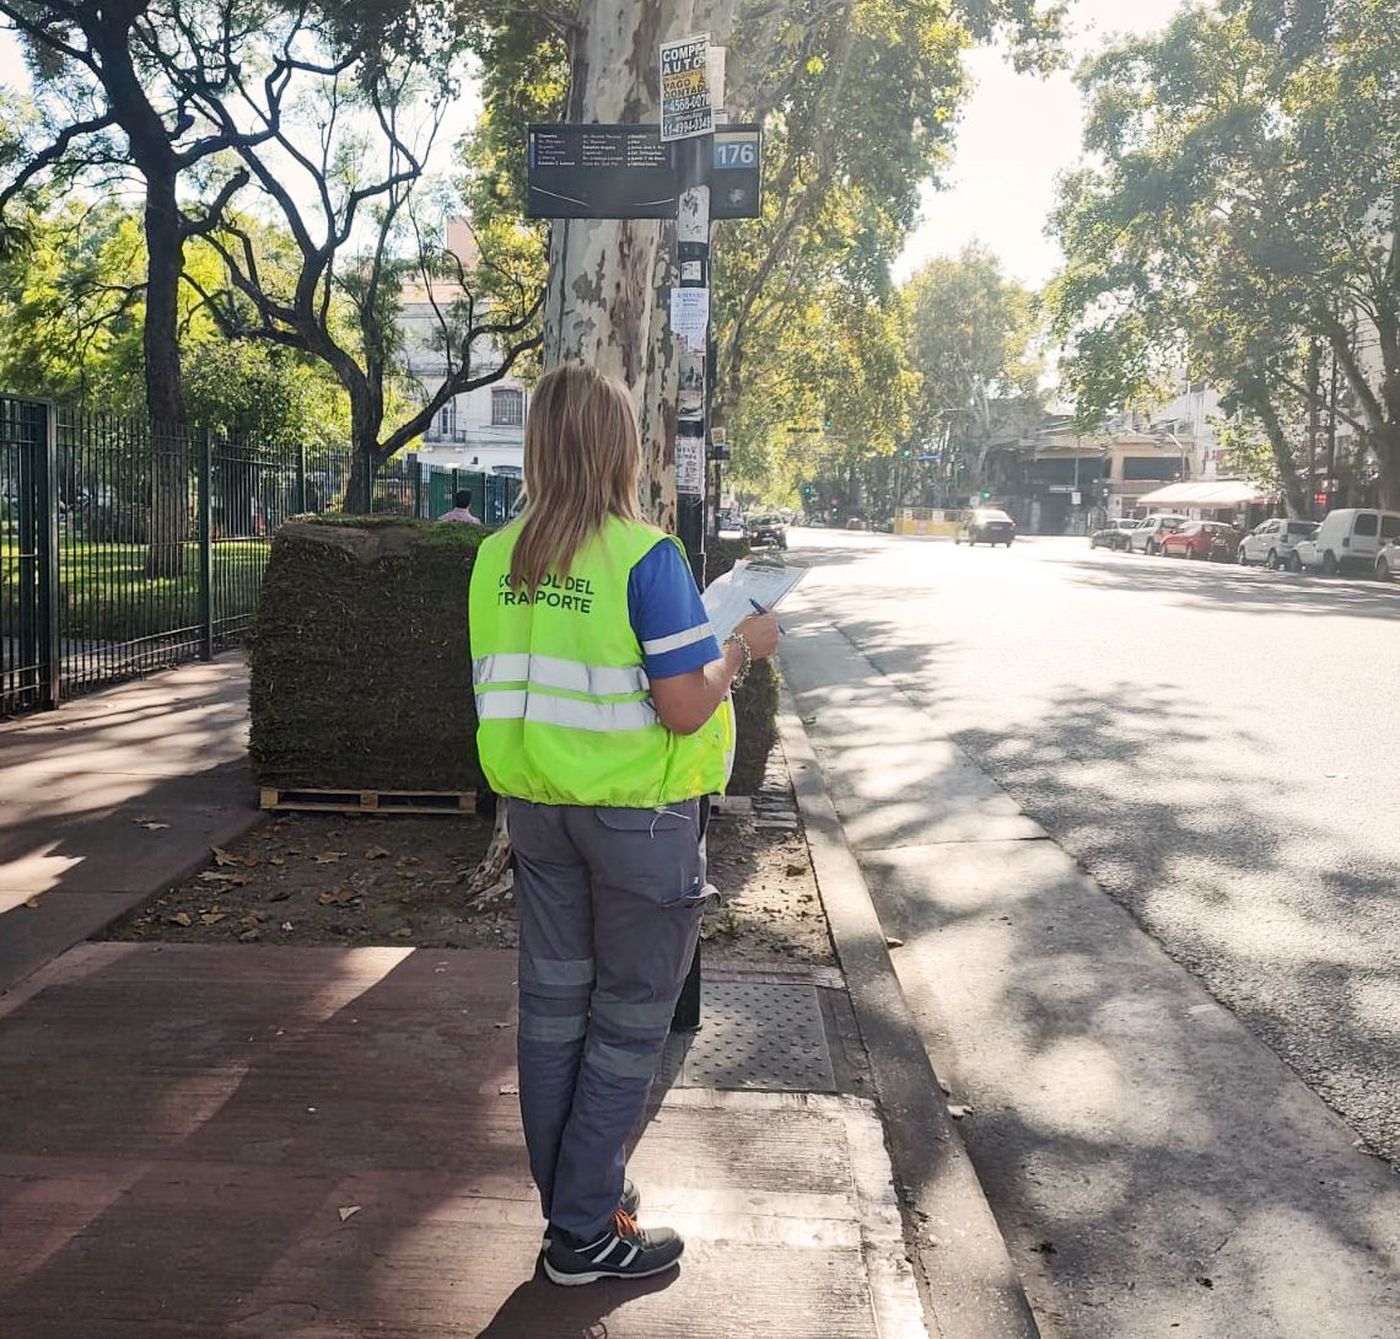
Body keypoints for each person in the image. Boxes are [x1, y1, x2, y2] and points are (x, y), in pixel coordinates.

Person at [468, 363, 779, 1287]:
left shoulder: (495, 558)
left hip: (537, 817)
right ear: (620, 448)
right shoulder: (647, 557)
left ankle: (576, 1200)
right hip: (637, 823)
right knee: (630, 1024)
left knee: (554, 1012)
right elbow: (684, 706)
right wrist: (739, 648)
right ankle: (583, 1231)